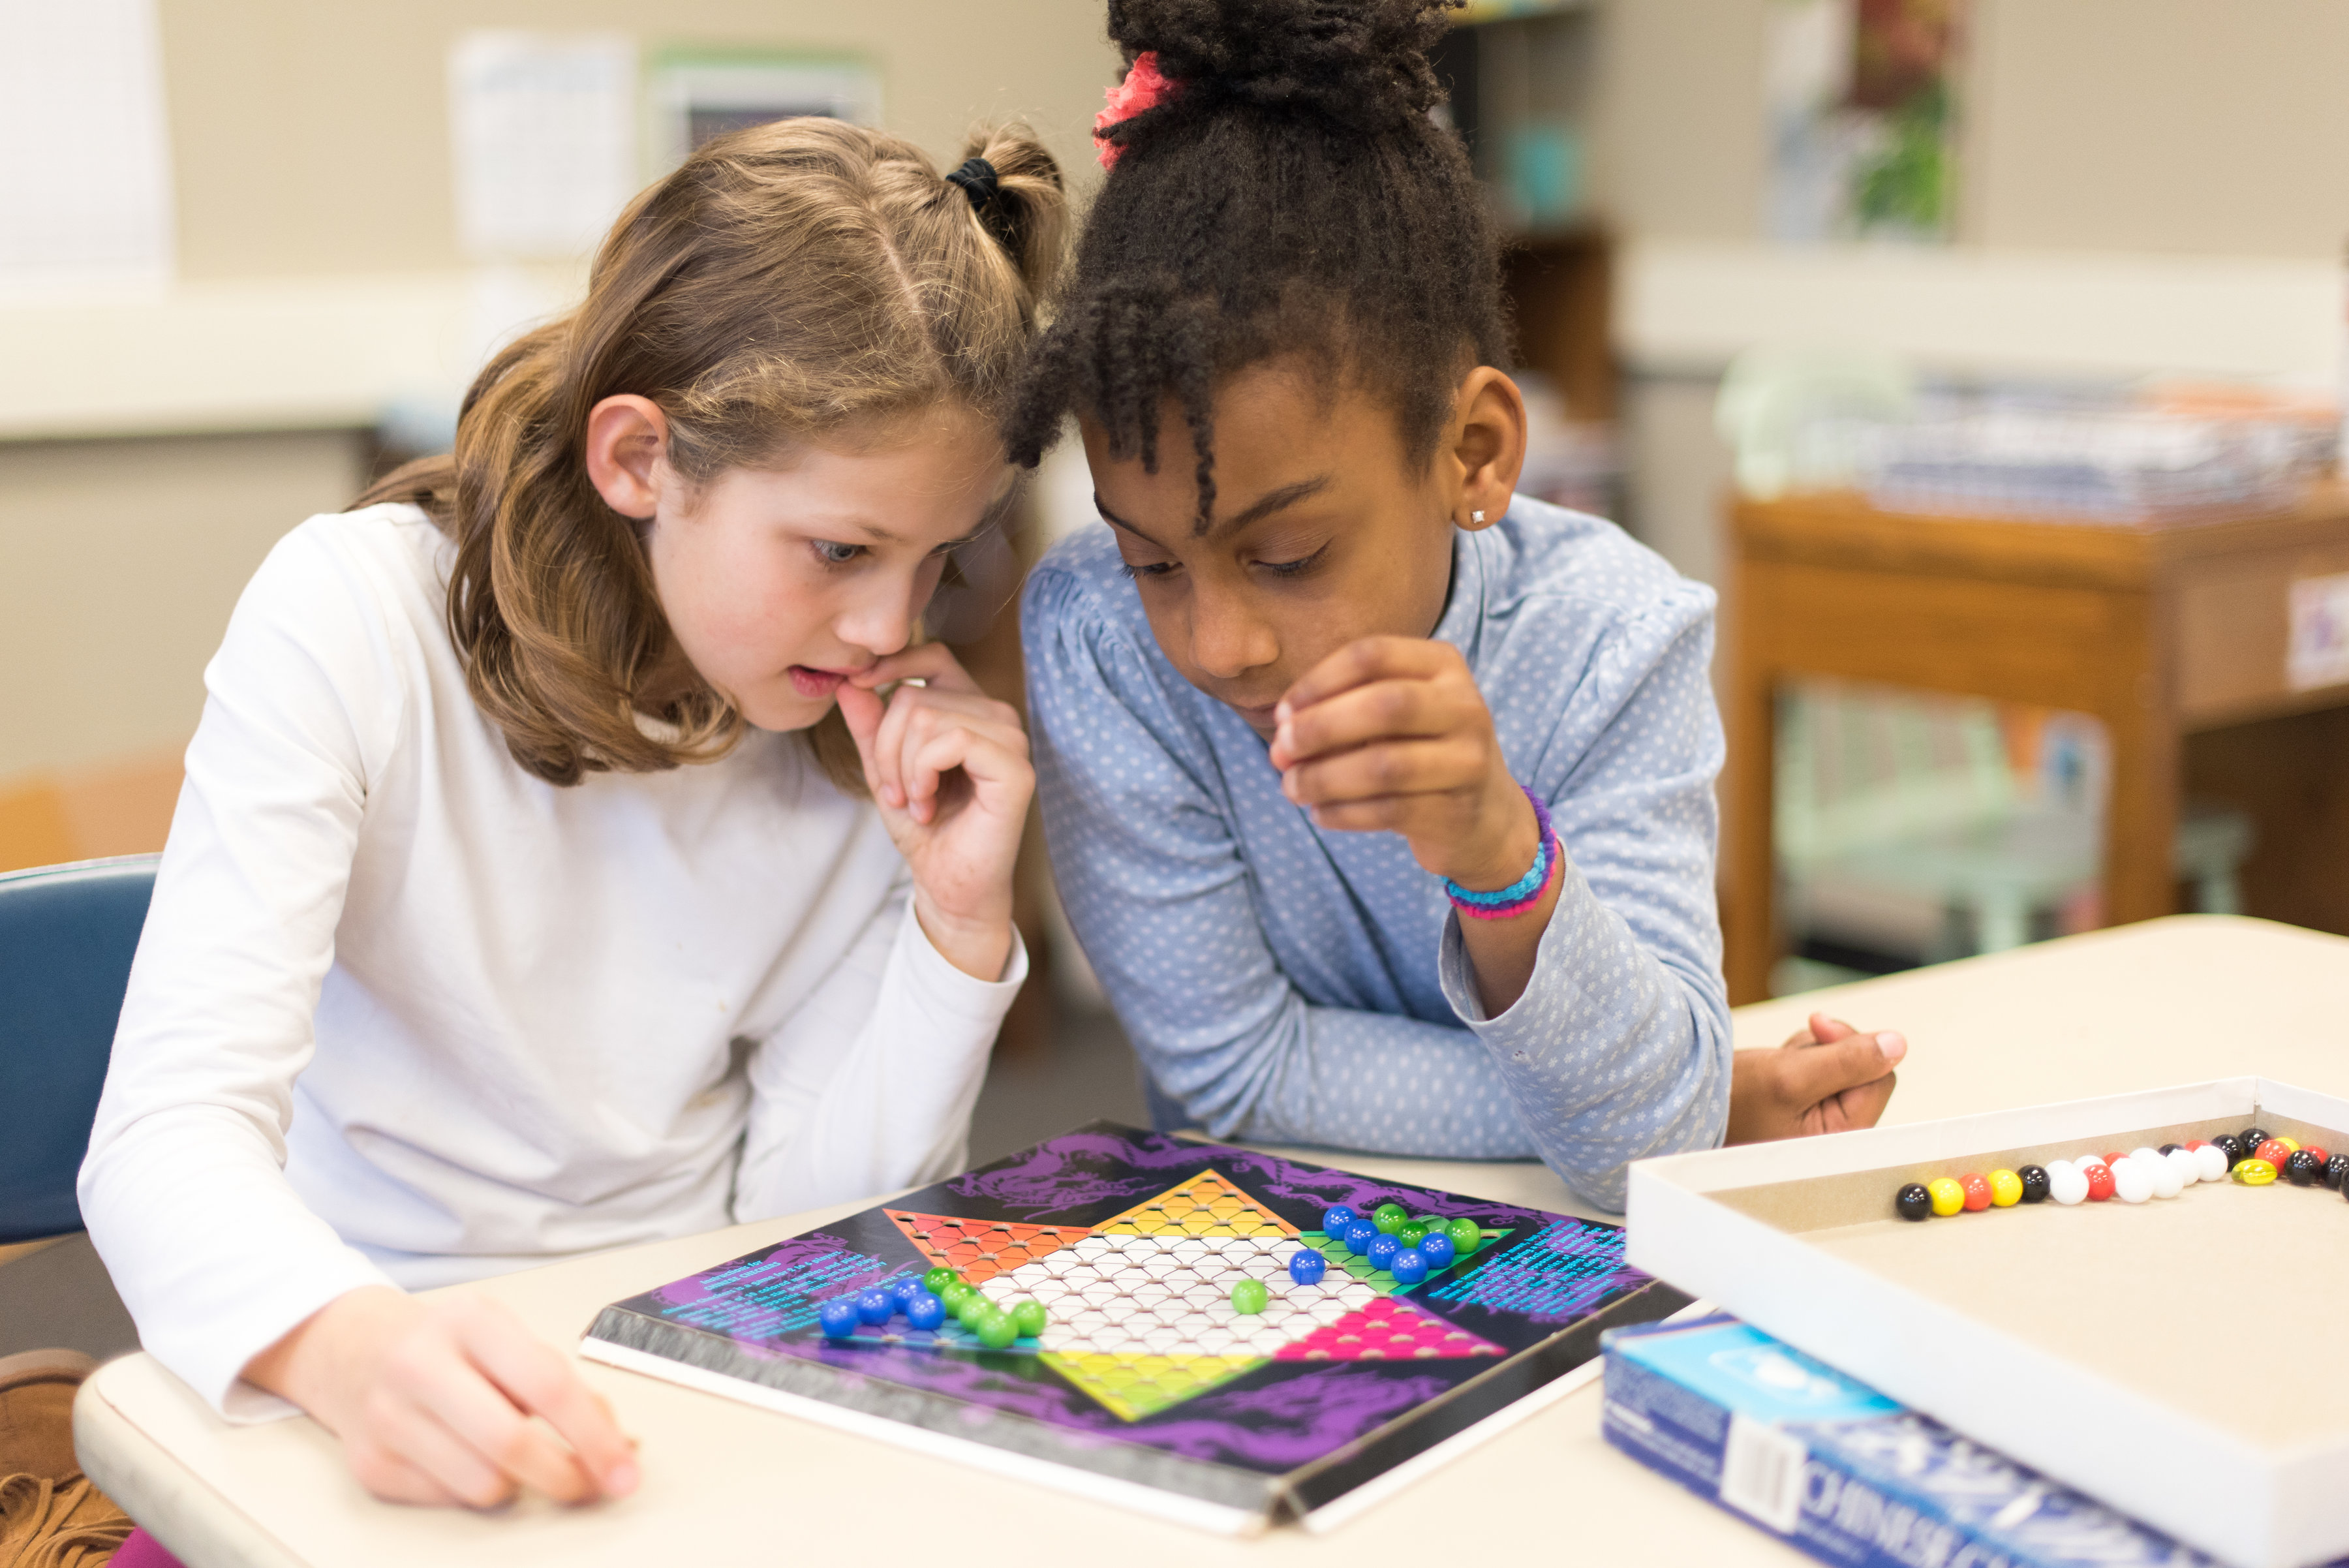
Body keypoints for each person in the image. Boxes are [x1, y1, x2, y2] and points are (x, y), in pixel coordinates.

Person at [77, 118, 1063, 1516]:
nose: (889, 624)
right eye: (840, 549)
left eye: (935, 557)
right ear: (637, 458)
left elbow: (811, 1215)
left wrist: (956, 926)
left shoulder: (846, 720)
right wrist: (349, 1349)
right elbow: (164, 1138)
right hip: (352, 1347)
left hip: (673, 1370)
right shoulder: (354, 618)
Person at [1010, 0, 1902, 1213]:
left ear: (1473, 453)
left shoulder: (1614, 641)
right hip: (1258, 1248)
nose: (1216, 646)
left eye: (1290, 554)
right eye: (1154, 560)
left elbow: (1638, 1141)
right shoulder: (1100, 639)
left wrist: (1501, 857)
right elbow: (1232, 1075)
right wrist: (1693, 1092)